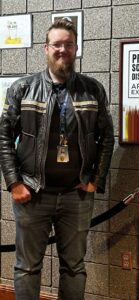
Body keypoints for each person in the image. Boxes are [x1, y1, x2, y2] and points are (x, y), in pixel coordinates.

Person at [0, 19, 114, 300]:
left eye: (69, 44)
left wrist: (94, 182)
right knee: (27, 268)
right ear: (46, 48)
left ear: (76, 48)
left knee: (74, 268)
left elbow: (106, 139)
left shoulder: (92, 89)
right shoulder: (22, 89)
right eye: (57, 44)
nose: (63, 49)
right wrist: (14, 183)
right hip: (32, 194)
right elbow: (3, 137)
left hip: (76, 196)